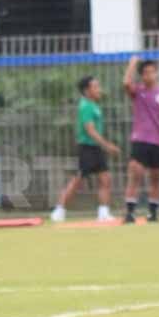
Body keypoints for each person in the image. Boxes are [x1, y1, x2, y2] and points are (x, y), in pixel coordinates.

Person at [51, 76, 121, 222]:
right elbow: (90, 130)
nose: (99, 89)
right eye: (95, 87)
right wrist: (107, 145)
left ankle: (103, 213)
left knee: (105, 179)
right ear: (87, 90)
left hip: (96, 148)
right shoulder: (86, 106)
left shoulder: (94, 105)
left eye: (98, 86)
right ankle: (59, 210)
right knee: (78, 180)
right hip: (87, 148)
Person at [122, 56, 159, 224]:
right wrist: (132, 64)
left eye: (152, 72)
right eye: (145, 72)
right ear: (141, 75)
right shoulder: (138, 92)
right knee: (135, 174)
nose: (149, 75)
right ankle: (130, 213)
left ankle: (153, 213)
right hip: (140, 140)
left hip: (158, 142)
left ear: (156, 73)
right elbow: (125, 84)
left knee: (155, 178)